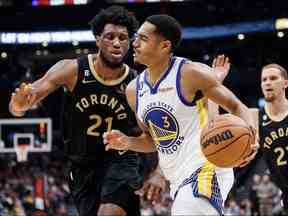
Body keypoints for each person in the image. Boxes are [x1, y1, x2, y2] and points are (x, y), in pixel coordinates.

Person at [9, 6, 165, 216]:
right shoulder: (72, 70)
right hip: (82, 166)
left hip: (121, 160)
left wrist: (159, 172)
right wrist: (18, 107)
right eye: (110, 36)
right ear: (98, 39)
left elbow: (159, 136)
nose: (117, 43)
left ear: (130, 43)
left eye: (123, 37)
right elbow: (25, 101)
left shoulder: (138, 84)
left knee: (108, 212)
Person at [103, 14, 258, 215]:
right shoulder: (134, 91)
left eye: (143, 38)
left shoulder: (190, 73)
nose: (135, 43)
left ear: (165, 46)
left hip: (207, 168)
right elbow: (154, 141)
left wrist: (253, 138)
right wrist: (127, 142)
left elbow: (237, 107)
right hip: (177, 180)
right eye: (136, 37)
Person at [250, 64, 288, 210]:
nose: (267, 82)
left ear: (285, 83)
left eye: (273, 78)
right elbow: (231, 105)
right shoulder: (256, 117)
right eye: (264, 79)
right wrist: (215, 81)